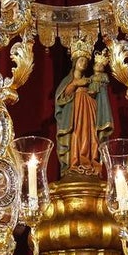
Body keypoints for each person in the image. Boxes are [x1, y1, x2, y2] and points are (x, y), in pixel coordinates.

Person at [54, 42, 103, 175]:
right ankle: (74, 163)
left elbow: (96, 94)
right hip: (75, 113)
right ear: (75, 62)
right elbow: (62, 96)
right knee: (77, 133)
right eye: (81, 60)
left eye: (86, 61)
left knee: (90, 134)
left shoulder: (89, 80)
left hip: (89, 111)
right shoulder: (68, 81)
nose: (84, 63)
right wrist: (75, 83)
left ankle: (90, 162)